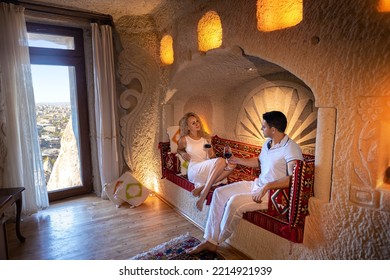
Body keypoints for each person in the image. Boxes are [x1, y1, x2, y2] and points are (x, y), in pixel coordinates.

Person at [187, 111, 303, 254]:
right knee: (219, 192)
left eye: (264, 126)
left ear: (273, 129)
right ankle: (210, 240)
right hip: (257, 184)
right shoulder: (268, 143)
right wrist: (238, 160)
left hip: (273, 194)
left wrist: (267, 187)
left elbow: (294, 178)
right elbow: (259, 162)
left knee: (234, 202)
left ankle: (215, 241)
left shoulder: (291, 148)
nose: (261, 129)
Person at [177, 112, 235, 211]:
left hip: (205, 169)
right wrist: (183, 154)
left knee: (232, 165)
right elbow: (179, 149)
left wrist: (211, 153)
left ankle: (203, 186)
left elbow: (212, 158)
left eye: (197, 121)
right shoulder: (184, 139)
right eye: (193, 123)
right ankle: (204, 194)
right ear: (187, 127)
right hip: (194, 169)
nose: (197, 124)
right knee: (221, 161)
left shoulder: (205, 139)